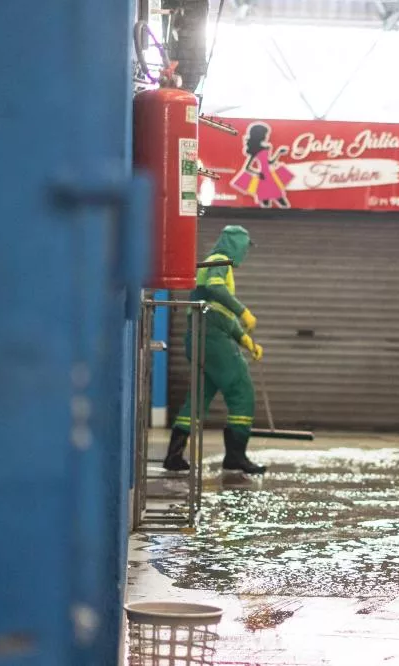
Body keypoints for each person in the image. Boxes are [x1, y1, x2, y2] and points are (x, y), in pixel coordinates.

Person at [164, 224, 267, 475]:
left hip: (202, 337)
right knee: (241, 391)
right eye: (245, 247)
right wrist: (243, 311)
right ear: (236, 244)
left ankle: (173, 455)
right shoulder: (219, 261)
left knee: (198, 398)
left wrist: (245, 341)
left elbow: (219, 314)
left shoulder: (215, 262)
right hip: (212, 339)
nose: (245, 252)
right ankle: (235, 456)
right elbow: (216, 290)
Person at [230, 123, 292, 209]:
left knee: (279, 198)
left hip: (269, 177)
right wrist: (258, 174)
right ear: (259, 135)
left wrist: (279, 152)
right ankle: (268, 219)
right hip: (263, 178)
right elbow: (247, 167)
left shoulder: (267, 147)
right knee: (266, 202)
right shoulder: (255, 149)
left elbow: (269, 162)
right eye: (265, 134)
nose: (267, 136)